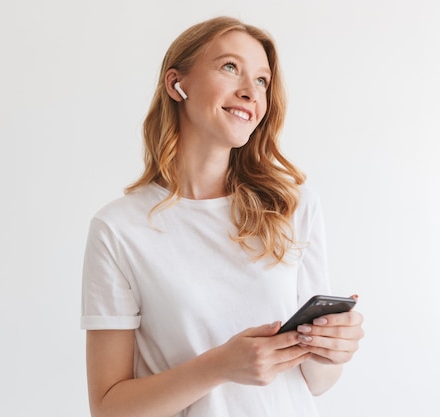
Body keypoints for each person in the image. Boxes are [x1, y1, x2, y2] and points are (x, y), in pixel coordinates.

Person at [80, 15, 364, 417]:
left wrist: (332, 350)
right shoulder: (118, 229)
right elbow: (109, 409)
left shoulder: (293, 205)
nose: (251, 92)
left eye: (262, 81)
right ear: (177, 84)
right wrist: (219, 366)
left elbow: (316, 384)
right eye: (231, 67)